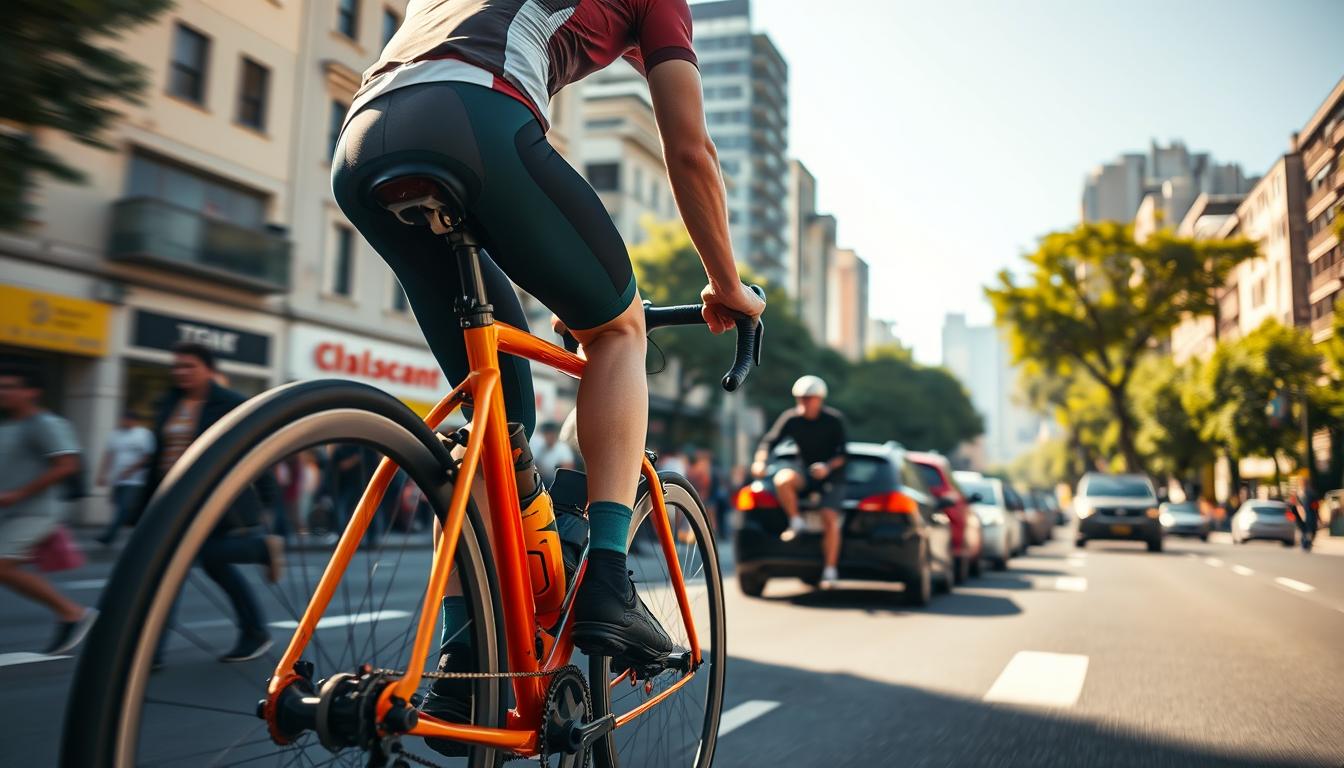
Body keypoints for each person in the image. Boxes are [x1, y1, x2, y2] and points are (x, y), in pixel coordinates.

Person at [329, 0, 765, 752]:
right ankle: (606, 579)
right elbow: (690, 150)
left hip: (365, 136)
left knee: (501, 436)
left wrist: (569, 284)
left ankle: (469, 658)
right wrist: (728, 284)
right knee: (620, 330)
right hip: (474, 115)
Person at [143, 342, 283, 663]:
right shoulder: (169, 403)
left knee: (170, 568)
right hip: (171, 500)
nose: (181, 373)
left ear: (208, 369)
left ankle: (149, 651)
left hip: (214, 501)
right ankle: (255, 631)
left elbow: (257, 449)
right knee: (205, 564)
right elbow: (157, 457)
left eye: (189, 366)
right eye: (177, 366)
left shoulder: (229, 403)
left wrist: (267, 495)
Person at [0, 364, 98, 654]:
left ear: (32, 392)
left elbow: (68, 464)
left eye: (9, 386)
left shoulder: (45, 424)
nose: (2, 392)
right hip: (10, 511)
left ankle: (73, 613)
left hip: (36, 511)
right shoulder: (8, 426)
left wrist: (19, 493)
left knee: (1, 566)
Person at [752, 375, 848, 589]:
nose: (804, 403)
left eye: (809, 398)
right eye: (800, 398)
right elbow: (769, 442)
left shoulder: (834, 420)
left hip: (832, 476)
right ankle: (796, 522)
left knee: (829, 516)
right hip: (806, 473)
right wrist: (760, 461)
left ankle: (830, 570)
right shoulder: (791, 418)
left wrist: (827, 467)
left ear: (819, 399)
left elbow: (843, 454)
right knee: (782, 478)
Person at [93, 409, 154, 546]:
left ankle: (109, 536)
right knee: (119, 508)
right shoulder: (115, 435)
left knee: (123, 508)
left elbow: (147, 456)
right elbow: (108, 456)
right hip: (117, 479)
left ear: (133, 420)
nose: (124, 422)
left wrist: (131, 470)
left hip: (135, 480)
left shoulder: (143, 434)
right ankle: (139, 532)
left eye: (127, 419)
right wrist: (102, 474)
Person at [528, 420, 575, 486]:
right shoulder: (541, 448)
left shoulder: (563, 449)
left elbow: (567, 471)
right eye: (546, 434)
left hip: (558, 482)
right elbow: (536, 468)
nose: (548, 437)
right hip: (543, 481)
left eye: (550, 434)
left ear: (555, 435)